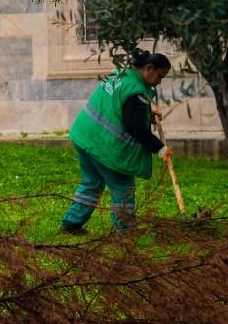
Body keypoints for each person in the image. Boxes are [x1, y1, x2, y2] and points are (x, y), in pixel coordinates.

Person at [60, 52, 173, 234]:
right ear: (149, 68)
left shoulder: (120, 74)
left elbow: (117, 105)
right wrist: (159, 148)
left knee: (91, 183)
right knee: (123, 188)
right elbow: (134, 126)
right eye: (160, 76)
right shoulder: (136, 90)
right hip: (106, 147)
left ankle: (71, 223)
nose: (160, 81)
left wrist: (146, 114)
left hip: (84, 136)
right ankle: (125, 230)